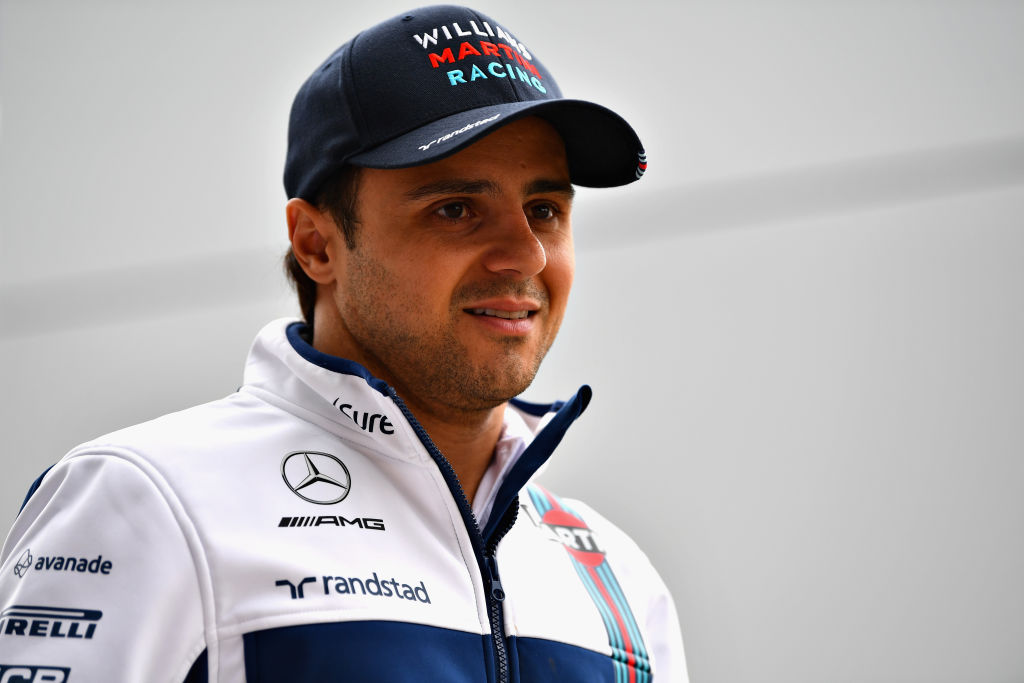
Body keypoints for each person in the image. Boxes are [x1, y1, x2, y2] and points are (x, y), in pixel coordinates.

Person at [0, 5, 686, 681]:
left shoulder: (617, 577)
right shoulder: (145, 500)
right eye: (455, 210)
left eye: (544, 210)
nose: (527, 255)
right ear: (317, 245)